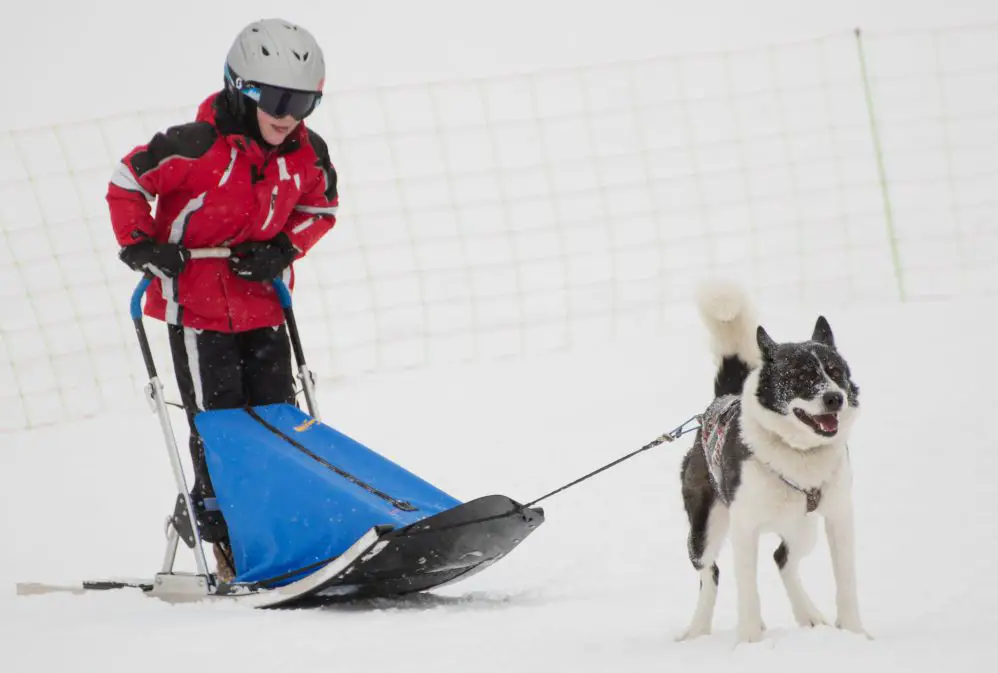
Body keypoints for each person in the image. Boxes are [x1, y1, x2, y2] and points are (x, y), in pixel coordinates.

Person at [106, 18, 338, 582]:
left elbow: (321, 209)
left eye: (305, 102)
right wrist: (143, 247)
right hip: (198, 313)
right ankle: (230, 543)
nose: (290, 116)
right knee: (221, 427)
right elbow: (127, 182)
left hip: (264, 306)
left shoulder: (306, 155)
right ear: (243, 87)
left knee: (278, 421)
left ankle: (291, 531)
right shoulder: (193, 147)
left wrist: (283, 248)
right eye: (280, 99)